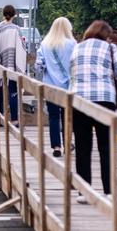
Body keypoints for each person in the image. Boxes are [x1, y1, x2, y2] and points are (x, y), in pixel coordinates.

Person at [69, 20, 117, 202]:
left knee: (83, 147)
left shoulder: (77, 48)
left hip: (79, 100)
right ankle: (109, 192)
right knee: (106, 147)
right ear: (106, 35)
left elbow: (71, 73)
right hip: (104, 100)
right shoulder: (110, 49)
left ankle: (84, 191)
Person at [34, 17, 76, 158]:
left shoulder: (45, 44)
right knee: (66, 117)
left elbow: (38, 66)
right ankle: (67, 143)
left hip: (50, 85)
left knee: (53, 116)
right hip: (67, 87)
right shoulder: (72, 44)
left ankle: (56, 146)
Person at [0, 5, 27, 125]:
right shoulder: (16, 29)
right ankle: (15, 120)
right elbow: (22, 48)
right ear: (14, 15)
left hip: (0, 63)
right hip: (12, 64)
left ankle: (0, 118)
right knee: (13, 92)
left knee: (0, 91)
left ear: (3, 13)